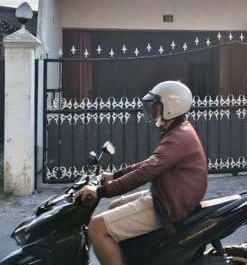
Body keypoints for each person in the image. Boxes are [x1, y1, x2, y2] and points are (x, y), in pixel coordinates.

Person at [74, 81, 208, 265]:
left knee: (96, 227)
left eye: (156, 107)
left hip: (169, 206)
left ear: (170, 108)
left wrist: (101, 191)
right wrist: (114, 175)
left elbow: (145, 173)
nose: (152, 112)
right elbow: (150, 164)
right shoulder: (178, 130)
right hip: (167, 196)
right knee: (114, 207)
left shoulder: (178, 138)